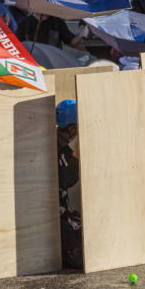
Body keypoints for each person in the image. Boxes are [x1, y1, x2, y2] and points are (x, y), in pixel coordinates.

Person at [56, 100, 82, 269]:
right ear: (71, 127)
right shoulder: (56, 150)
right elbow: (69, 179)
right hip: (56, 214)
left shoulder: (64, 150)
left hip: (64, 210)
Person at [16, 13, 87, 51]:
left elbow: (71, 42)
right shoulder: (25, 22)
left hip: (53, 60)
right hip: (31, 62)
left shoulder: (57, 21)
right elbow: (17, 44)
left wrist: (82, 34)